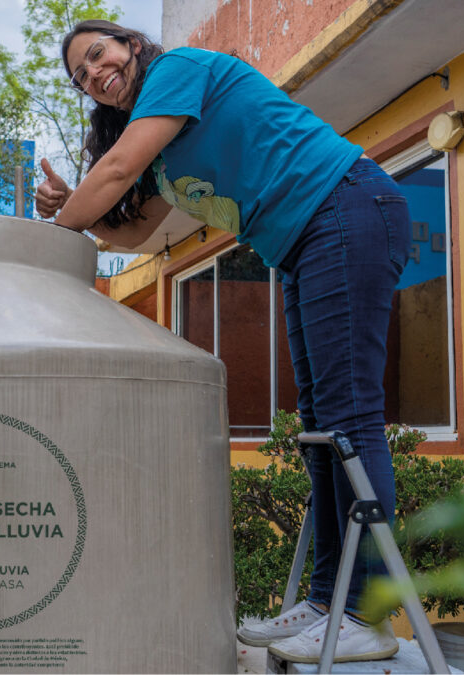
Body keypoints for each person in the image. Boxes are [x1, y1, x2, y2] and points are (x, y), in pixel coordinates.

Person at [36, 19, 411, 665]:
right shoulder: (160, 149)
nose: (95, 74)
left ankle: (366, 612)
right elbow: (132, 235)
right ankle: (327, 602)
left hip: (345, 208)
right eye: (81, 76)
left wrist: (48, 237)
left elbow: (118, 167)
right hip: (302, 244)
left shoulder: (179, 70)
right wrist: (75, 205)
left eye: (99, 55)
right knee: (321, 430)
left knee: (349, 418)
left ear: (131, 46)